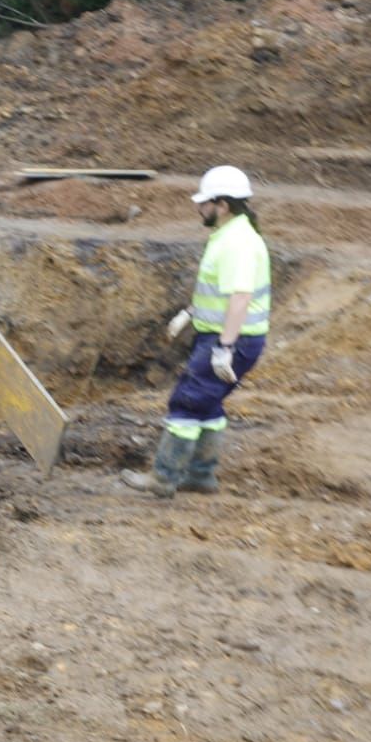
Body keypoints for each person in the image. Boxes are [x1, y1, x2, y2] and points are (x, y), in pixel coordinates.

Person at [122, 165, 270, 497]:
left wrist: (225, 347)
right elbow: (219, 291)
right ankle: (201, 476)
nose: (199, 208)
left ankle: (164, 477)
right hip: (221, 334)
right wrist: (189, 313)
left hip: (230, 338)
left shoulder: (237, 243)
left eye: (205, 202)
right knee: (208, 404)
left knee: (187, 403)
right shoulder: (231, 235)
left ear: (223, 204)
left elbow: (241, 297)